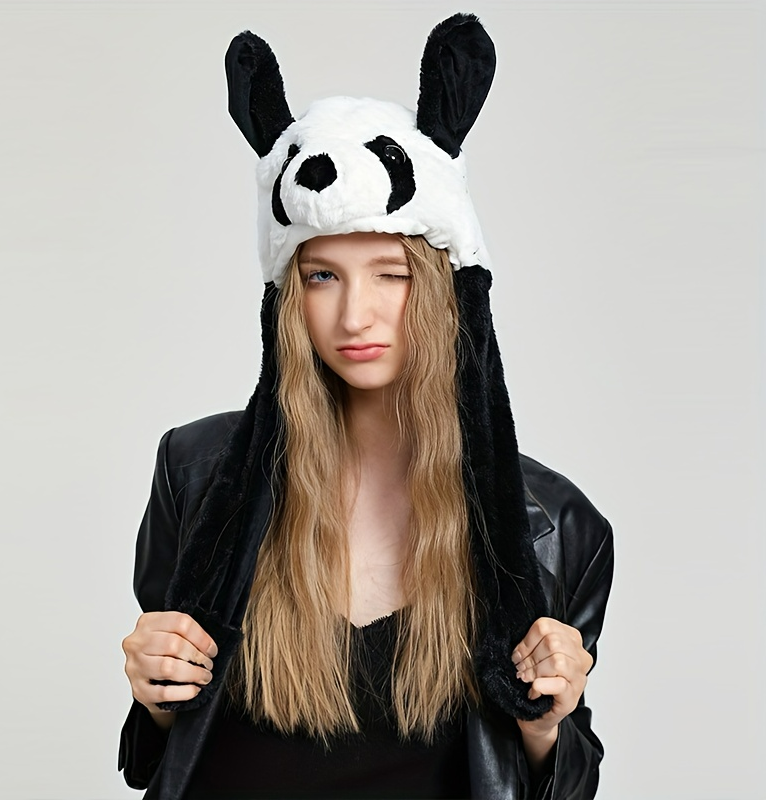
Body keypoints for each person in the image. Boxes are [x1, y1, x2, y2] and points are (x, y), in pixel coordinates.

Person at [119, 13, 613, 800]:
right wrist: (155, 689)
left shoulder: (555, 527)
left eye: (393, 273)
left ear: (450, 292)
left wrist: (546, 722)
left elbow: (562, 777)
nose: (355, 316)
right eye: (322, 276)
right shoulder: (196, 473)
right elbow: (161, 749)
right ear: (287, 298)